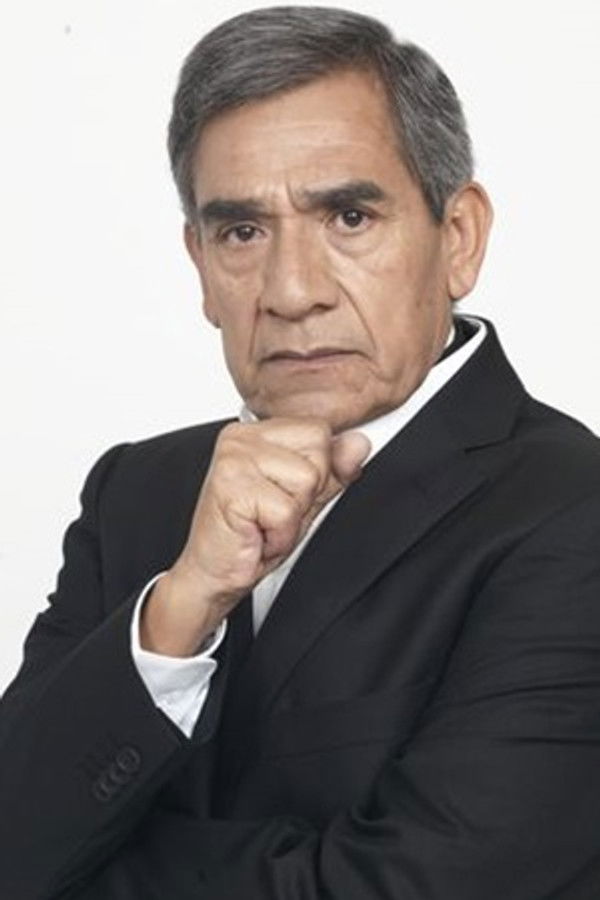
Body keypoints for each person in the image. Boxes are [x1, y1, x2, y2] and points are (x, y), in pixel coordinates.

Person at [2, 6, 600, 899]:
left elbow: (416, 888)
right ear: (200, 265)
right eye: (242, 232)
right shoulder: (136, 491)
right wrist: (180, 608)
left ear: (459, 238)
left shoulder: (573, 510)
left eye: (349, 217)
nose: (290, 291)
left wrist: (81, 870)